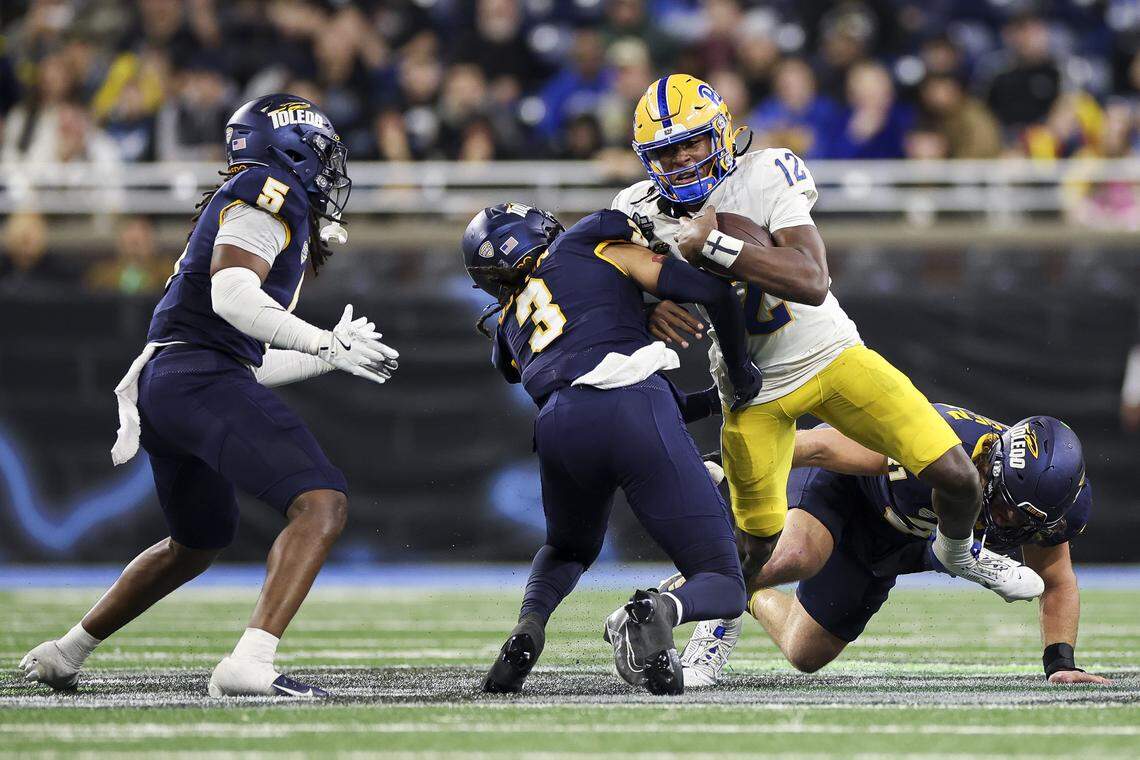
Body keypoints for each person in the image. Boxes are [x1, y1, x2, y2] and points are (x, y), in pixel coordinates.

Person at [610, 75, 1045, 680]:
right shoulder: (636, 212)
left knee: (956, 474)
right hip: (751, 390)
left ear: (722, 134)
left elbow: (811, 278)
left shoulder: (766, 173)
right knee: (754, 545)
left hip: (830, 355)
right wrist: (644, 305)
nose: (681, 159)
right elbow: (600, 287)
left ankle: (955, 549)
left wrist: (715, 249)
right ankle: (716, 623)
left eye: (692, 143)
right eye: (666, 150)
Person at [20, 94, 398, 698]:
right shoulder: (271, 185)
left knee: (196, 542)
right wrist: (322, 340)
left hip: (175, 381)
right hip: (193, 379)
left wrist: (328, 356)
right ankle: (249, 662)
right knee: (321, 502)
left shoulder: (259, 193)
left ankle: (68, 652)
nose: (329, 173)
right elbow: (232, 297)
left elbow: (240, 360)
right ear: (290, 149)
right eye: (323, 156)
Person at [461, 202, 762, 695]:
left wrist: (706, 398)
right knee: (723, 581)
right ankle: (659, 610)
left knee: (566, 548)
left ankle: (529, 625)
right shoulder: (588, 239)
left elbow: (587, 365)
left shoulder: (507, 331)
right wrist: (741, 373)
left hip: (560, 426)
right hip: (634, 411)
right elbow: (714, 293)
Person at [683, 406, 1111, 687]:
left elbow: (1055, 580)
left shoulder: (1056, 510)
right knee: (797, 556)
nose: (1002, 520)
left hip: (901, 541)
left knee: (805, 652)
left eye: (1019, 517)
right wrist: (721, 462)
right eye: (1001, 502)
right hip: (848, 490)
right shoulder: (942, 444)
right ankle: (703, 597)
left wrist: (1061, 664)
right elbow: (819, 448)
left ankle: (748, 594)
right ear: (990, 464)